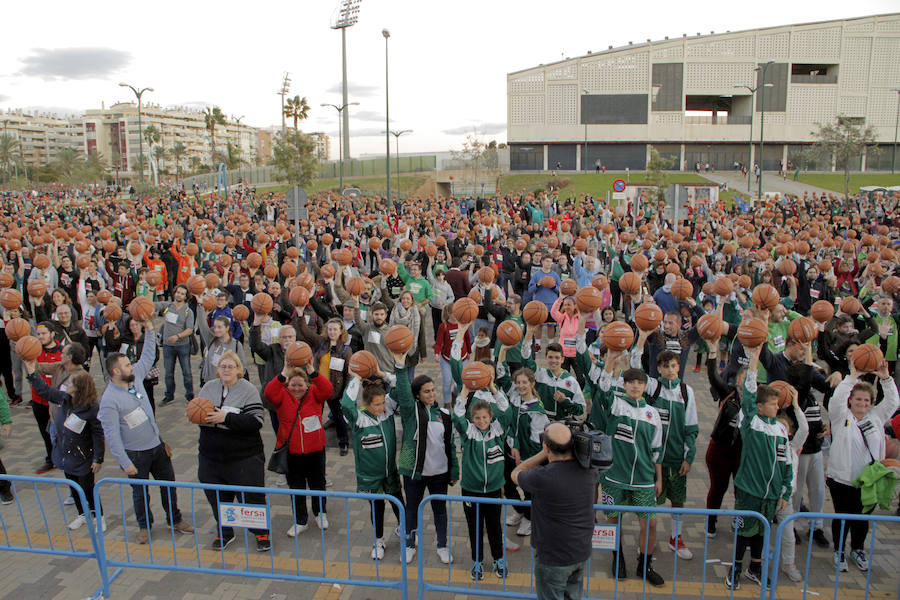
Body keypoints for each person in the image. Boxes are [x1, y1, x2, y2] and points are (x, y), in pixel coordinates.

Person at [98, 318, 194, 544]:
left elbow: (148, 356)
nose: (132, 366)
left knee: (168, 485)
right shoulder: (109, 400)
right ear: (115, 372)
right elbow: (111, 435)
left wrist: (150, 331)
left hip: (156, 446)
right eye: (126, 365)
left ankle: (175, 518)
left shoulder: (136, 378)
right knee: (139, 493)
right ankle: (144, 525)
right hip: (135, 455)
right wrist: (124, 462)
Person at [725, 343, 793, 590]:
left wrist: (785, 491)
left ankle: (755, 568)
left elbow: (786, 462)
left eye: (778, 404)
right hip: (749, 491)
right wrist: (754, 362)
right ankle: (735, 568)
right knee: (743, 533)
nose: (778, 407)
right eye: (774, 404)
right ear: (761, 407)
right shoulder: (751, 422)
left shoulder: (781, 430)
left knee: (761, 533)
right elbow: (750, 394)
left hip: (771, 494)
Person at [594, 353, 665, 586]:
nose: (635, 386)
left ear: (645, 386)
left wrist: (659, 478)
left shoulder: (652, 414)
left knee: (651, 523)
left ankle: (645, 564)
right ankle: (618, 559)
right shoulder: (616, 405)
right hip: (614, 478)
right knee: (614, 520)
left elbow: (656, 451)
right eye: (630, 382)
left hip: (644, 479)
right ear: (623, 385)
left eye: (639, 382)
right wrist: (609, 364)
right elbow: (603, 391)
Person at [826, 359, 898, 572]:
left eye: (867, 400)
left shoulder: (876, 417)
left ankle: (857, 549)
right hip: (841, 479)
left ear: (872, 402)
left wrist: (885, 377)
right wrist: (852, 376)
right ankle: (838, 552)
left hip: (868, 480)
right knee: (842, 517)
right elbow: (836, 399)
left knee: (862, 519)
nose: (862, 403)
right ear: (851, 401)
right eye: (858, 399)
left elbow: (893, 401)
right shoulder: (840, 417)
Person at [512, 422, 596, 600]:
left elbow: (516, 473)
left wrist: (543, 453)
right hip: (580, 552)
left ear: (547, 446)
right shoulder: (589, 471)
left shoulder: (542, 477)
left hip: (552, 558)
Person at [194, 352, 269, 551]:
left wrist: (225, 418)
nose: (226, 370)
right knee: (217, 497)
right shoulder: (209, 387)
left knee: (251, 497)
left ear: (239, 369)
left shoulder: (248, 390)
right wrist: (196, 415)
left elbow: (256, 421)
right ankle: (225, 532)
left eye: (230, 366)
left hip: (243, 457)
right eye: (222, 366)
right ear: (217, 370)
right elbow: (196, 413)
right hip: (211, 457)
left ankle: (261, 532)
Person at [24, 354, 106, 532]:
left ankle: (98, 516)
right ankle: (82, 515)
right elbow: (45, 391)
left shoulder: (91, 408)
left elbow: (98, 435)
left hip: (83, 456)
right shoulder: (65, 399)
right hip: (65, 454)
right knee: (74, 486)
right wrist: (31, 372)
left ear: (79, 388)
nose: (66, 384)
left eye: (70, 384)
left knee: (88, 488)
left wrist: (98, 459)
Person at [396, 363, 459, 565]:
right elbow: (403, 391)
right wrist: (400, 365)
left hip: (439, 473)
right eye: (426, 391)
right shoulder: (410, 411)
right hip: (414, 471)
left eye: (433, 390)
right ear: (417, 395)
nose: (431, 394)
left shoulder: (444, 415)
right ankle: (409, 544)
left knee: (440, 510)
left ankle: (442, 545)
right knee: (411, 509)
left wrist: (454, 471)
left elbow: (450, 446)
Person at [341, 369, 405, 560]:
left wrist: (380, 373)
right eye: (377, 404)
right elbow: (346, 403)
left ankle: (406, 531)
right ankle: (378, 540)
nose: (381, 407)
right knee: (377, 507)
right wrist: (357, 377)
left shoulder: (387, 412)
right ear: (365, 404)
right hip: (370, 476)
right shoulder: (358, 419)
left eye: (383, 402)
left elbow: (399, 386)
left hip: (390, 472)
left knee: (398, 503)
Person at [265, 360, 334, 536]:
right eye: (293, 385)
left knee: (318, 483)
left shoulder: (314, 393)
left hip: (315, 450)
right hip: (292, 452)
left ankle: (320, 513)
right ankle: (300, 520)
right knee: (296, 486)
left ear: (307, 384)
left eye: (300, 385)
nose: (296, 388)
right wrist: (283, 373)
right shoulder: (282, 395)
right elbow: (268, 393)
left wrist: (312, 371)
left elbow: (328, 389)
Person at [453, 387, 514, 580]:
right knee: (475, 527)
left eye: (485, 418)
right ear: (472, 419)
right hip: (471, 490)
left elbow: (507, 411)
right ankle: (477, 561)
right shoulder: (468, 432)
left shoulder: (498, 431)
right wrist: (464, 391)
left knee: (495, 526)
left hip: (494, 489)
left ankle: (499, 559)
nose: (481, 421)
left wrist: (494, 388)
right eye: (477, 418)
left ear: (491, 417)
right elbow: (457, 415)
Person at [296, 316, 352, 455]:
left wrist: (345, 393)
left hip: (334, 390)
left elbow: (348, 374)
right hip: (318, 387)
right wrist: (300, 315)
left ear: (341, 331)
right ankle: (316, 441)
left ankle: (343, 442)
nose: (332, 332)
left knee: (338, 417)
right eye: (330, 329)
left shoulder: (345, 350)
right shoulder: (321, 343)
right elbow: (305, 331)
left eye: (335, 329)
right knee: (316, 416)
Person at [156, 284, 195, 405]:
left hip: (183, 346)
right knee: (168, 373)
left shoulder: (188, 311)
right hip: (168, 346)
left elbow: (190, 329)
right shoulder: (168, 306)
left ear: (185, 296)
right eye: (178, 292)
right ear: (174, 293)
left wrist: (177, 336)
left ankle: (190, 396)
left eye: (182, 293)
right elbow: (151, 304)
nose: (179, 295)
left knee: (187, 372)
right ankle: (169, 395)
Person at [196, 305, 246, 387]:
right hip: (210, 382)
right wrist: (200, 306)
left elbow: (242, 366)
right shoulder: (211, 340)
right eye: (215, 327)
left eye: (219, 327)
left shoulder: (236, 345)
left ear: (227, 328)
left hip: (227, 383)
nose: (216, 330)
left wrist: (234, 379)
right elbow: (202, 325)